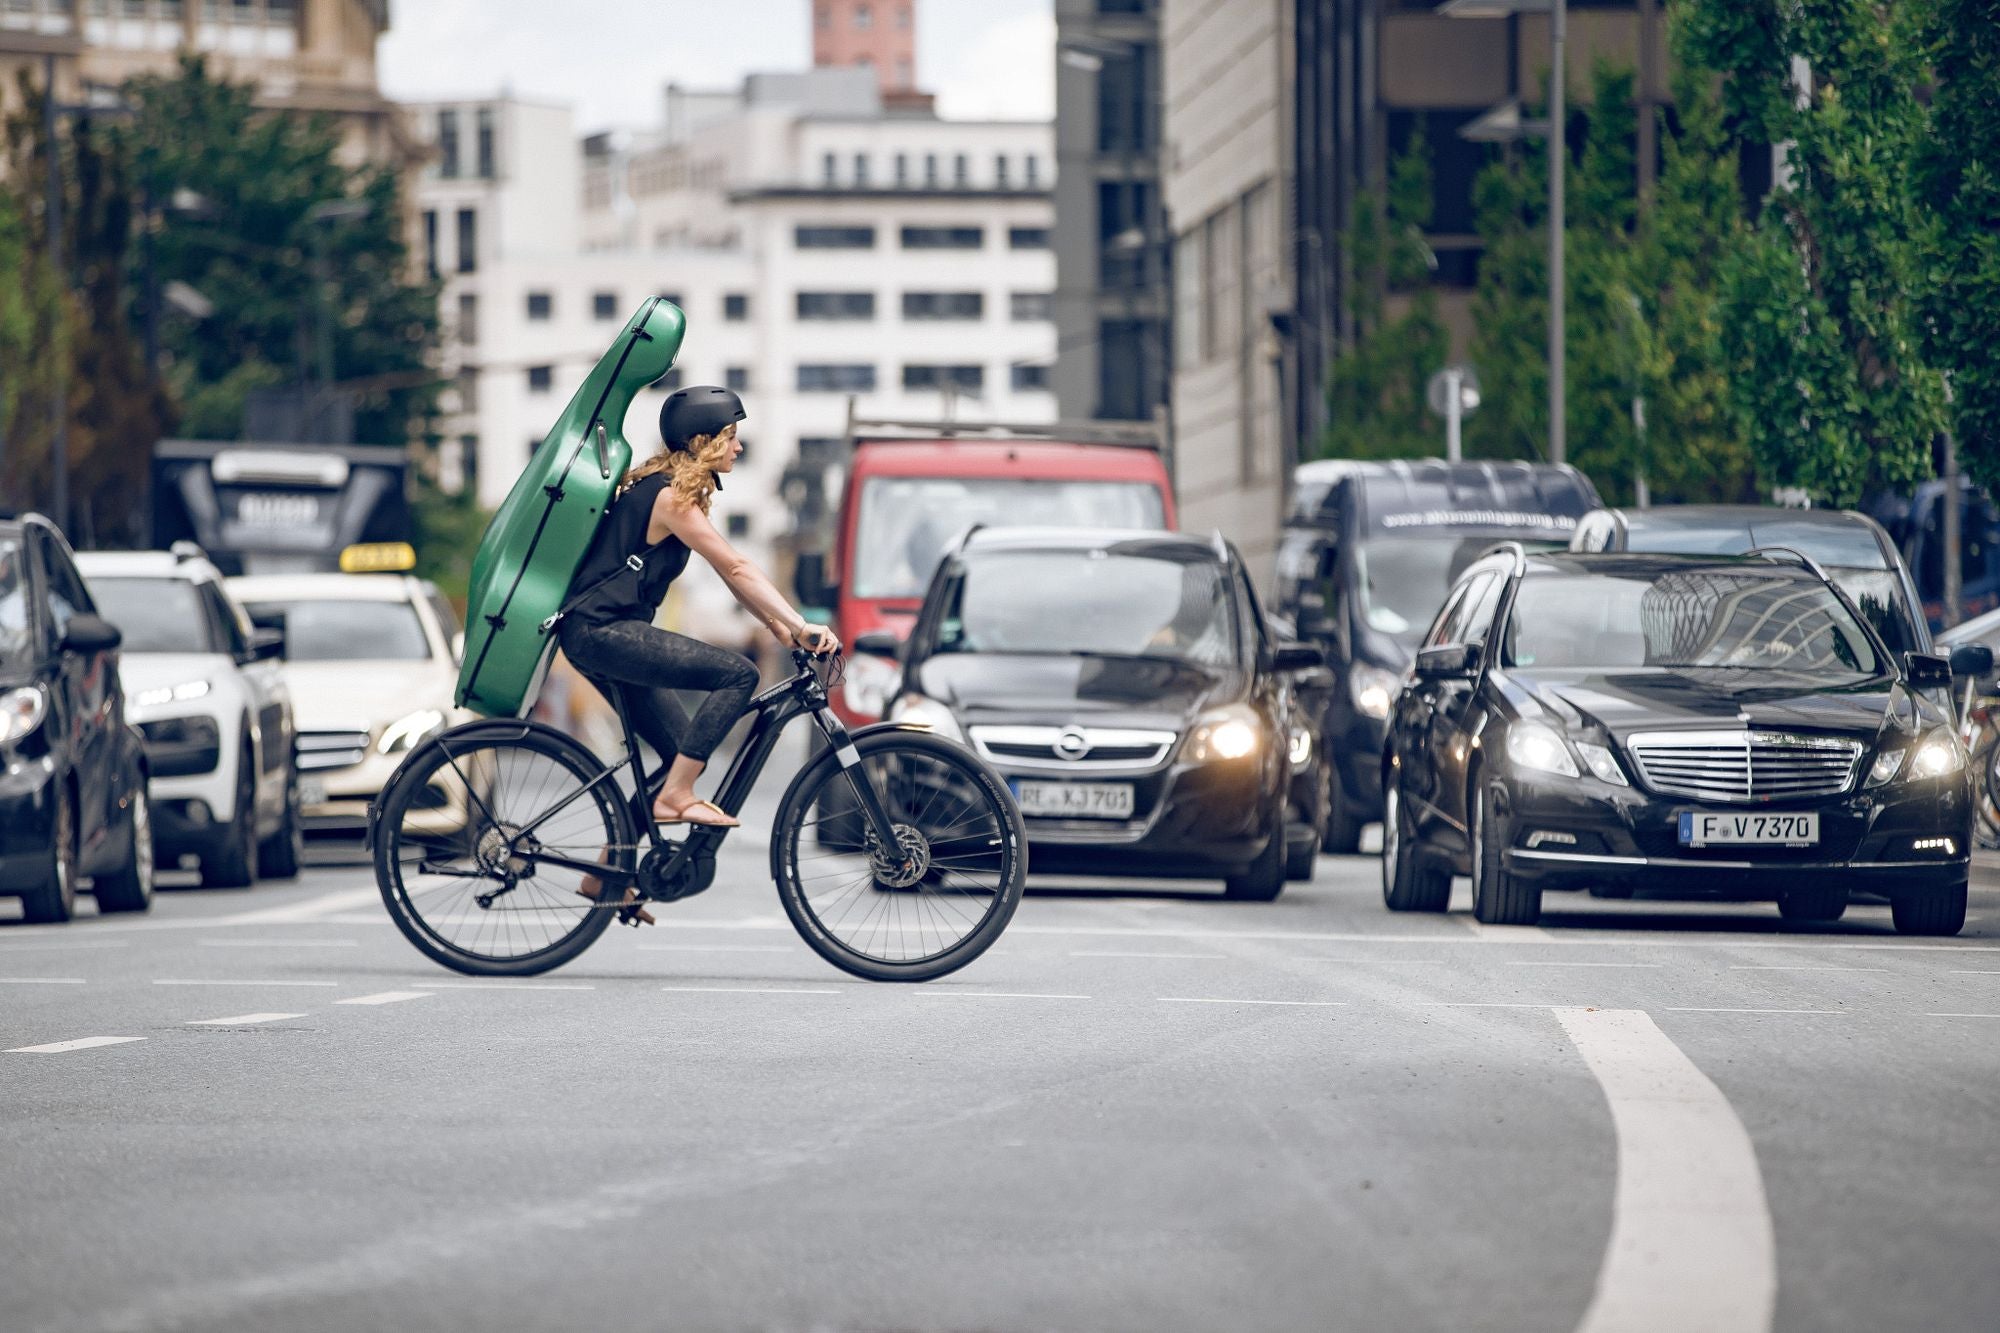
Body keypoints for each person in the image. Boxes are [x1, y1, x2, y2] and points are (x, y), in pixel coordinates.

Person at [558, 385, 840, 834]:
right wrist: (800, 623)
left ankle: (610, 866)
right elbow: (735, 565)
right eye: (731, 436)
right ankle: (676, 796)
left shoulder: (665, 492)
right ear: (700, 442)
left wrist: (775, 623)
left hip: (597, 634)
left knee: (679, 753)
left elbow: (730, 575)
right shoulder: (669, 498)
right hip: (602, 631)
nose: (738, 446)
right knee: (738, 675)